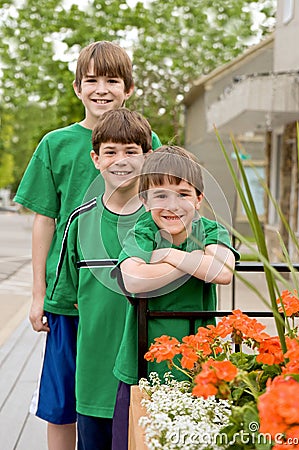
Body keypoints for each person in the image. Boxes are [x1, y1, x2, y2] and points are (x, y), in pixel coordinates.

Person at [13, 41, 161, 450]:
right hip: (69, 295)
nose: (101, 89)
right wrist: (38, 295)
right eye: (91, 80)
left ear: (128, 88)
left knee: (124, 399)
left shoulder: (145, 140)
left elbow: (165, 207)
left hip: (127, 296)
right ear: (77, 87)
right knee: (62, 403)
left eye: (112, 80)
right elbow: (44, 220)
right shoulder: (56, 145)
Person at [111, 145, 240, 449]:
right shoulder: (143, 229)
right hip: (142, 357)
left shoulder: (211, 230)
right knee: (136, 437)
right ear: (144, 201)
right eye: (161, 195)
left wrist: (167, 255)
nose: (172, 204)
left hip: (197, 360)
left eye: (183, 194)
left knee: (194, 437)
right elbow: (134, 278)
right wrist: (196, 264)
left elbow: (221, 272)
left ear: (198, 199)